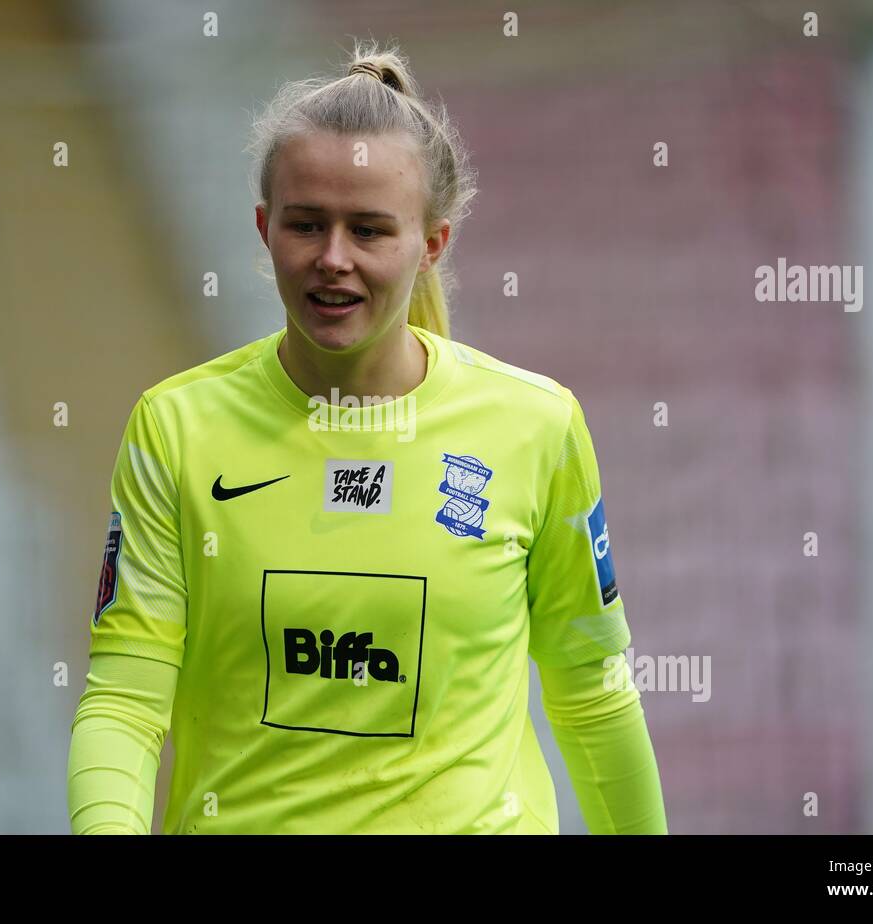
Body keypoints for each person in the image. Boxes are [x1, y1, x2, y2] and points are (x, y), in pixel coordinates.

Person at [66, 39, 667, 834]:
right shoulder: (177, 428)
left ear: (431, 245)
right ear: (263, 228)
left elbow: (591, 694)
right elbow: (125, 701)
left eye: (371, 231)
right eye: (307, 225)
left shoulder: (536, 426)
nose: (333, 261)